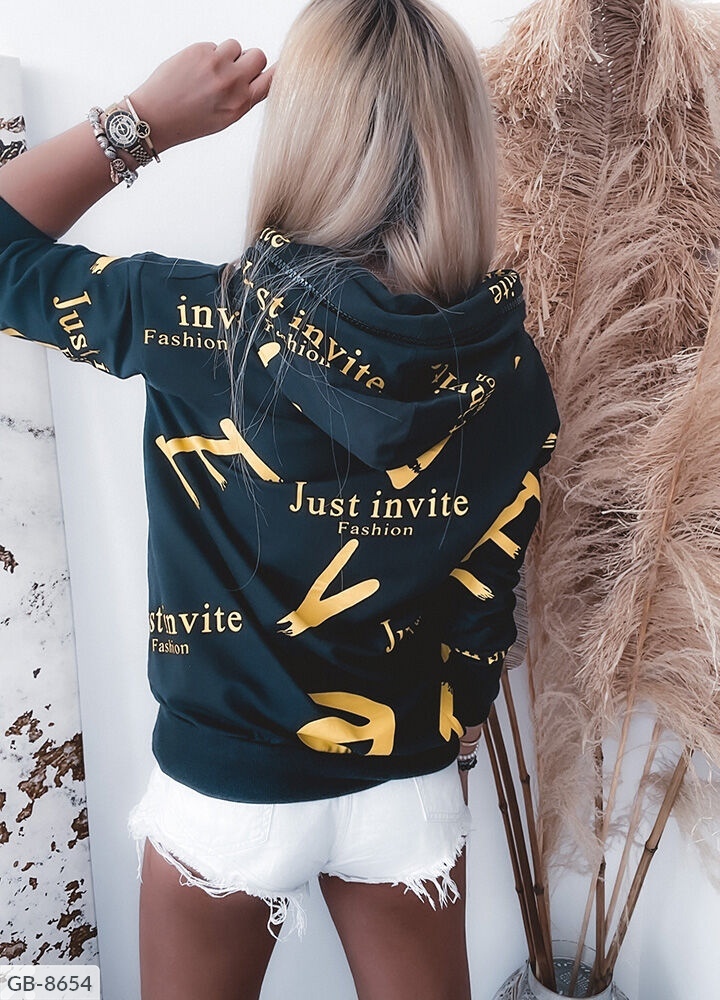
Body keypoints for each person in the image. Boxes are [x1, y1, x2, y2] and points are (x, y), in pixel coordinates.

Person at [0, 1, 559, 997]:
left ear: (304, 137)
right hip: (406, 785)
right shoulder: (508, 370)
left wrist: (142, 123)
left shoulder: (194, 321)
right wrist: (455, 741)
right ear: (462, 154)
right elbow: (486, 594)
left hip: (228, 792)